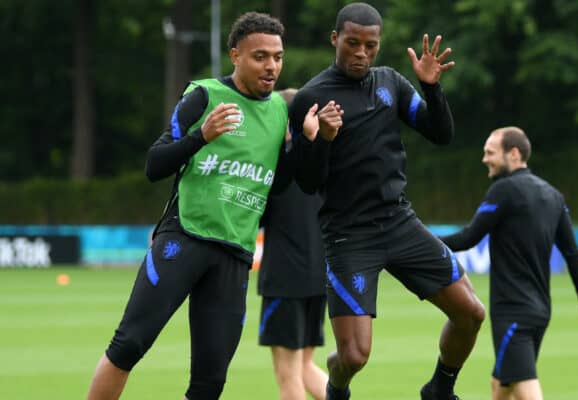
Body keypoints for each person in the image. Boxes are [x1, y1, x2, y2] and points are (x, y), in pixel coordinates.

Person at [86, 12, 326, 400]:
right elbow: (154, 164)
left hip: (234, 256)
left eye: (277, 57)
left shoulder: (281, 113)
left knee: (210, 382)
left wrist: (306, 147)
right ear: (235, 55)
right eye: (260, 56)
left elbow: (278, 185)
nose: (271, 66)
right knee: (129, 344)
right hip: (184, 239)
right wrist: (201, 136)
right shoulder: (204, 95)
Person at [288, 3, 486, 400]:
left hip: (400, 222)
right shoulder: (310, 97)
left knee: (471, 313)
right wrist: (323, 139)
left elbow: (440, 133)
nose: (361, 53)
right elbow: (307, 182)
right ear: (335, 39)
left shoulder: (390, 84)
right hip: (349, 236)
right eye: (353, 43)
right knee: (356, 356)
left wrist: (431, 87)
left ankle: (439, 389)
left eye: (370, 46)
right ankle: (336, 382)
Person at [439, 126, 578, 400]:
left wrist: (420, 241)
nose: (484, 159)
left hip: (513, 312)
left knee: (526, 390)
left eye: (490, 153)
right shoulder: (553, 196)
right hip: (539, 311)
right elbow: (572, 254)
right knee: (500, 385)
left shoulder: (504, 190)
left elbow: (468, 238)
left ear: (513, 154)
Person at [257, 88, 328, 400]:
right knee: (305, 367)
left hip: (284, 280)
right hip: (319, 277)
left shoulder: (273, 165)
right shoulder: (323, 161)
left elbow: (254, 216)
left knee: (288, 378)